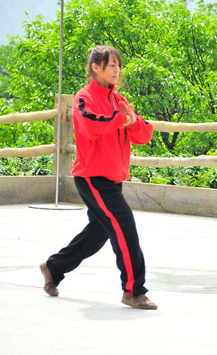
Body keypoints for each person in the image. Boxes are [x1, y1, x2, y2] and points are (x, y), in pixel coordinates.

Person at [40, 45, 157, 309]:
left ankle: (53, 267)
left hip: (113, 179)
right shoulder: (84, 98)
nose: (117, 70)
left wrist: (132, 122)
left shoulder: (119, 100)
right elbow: (92, 125)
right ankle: (134, 290)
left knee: (98, 233)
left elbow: (144, 134)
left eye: (118, 65)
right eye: (111, 65)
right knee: (124, 226)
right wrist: (119, 120)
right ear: (96, 67)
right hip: (93, 178)